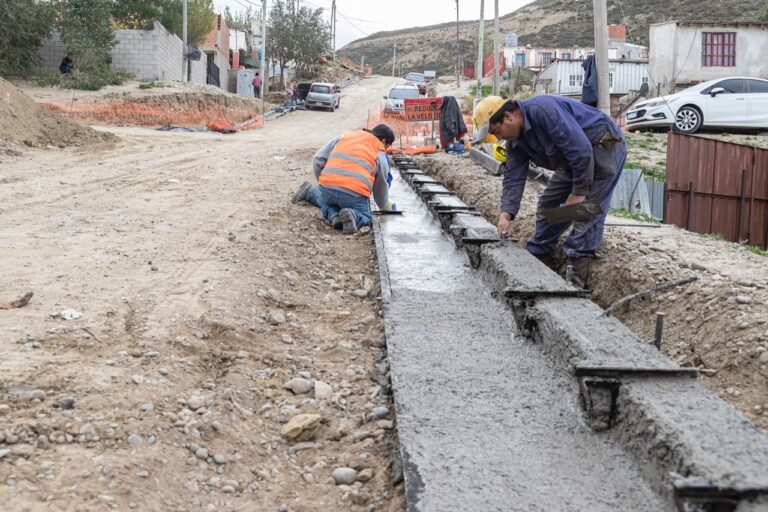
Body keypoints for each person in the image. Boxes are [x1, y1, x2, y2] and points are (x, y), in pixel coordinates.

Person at [473, 95, 626, 289]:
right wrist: (506, 213)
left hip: (603, 145)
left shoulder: (544, 111)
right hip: (573, 160)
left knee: (586, 210)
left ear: (508, 116)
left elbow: (581, 150)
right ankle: (537, 255)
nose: (499, 138)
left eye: (497, 131)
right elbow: (513, 178)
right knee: (549, 207)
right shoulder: (516, 143)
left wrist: (579, 192)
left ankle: (575, 279)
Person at [291, 124, 395, 234]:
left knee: (326, 202)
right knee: (366, 216)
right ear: (383, 141)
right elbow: (380, 186)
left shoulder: (345, 136)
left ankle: (326, 208)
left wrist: (324, 184)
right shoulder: (379, 150)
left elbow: (317, 159)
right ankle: (353, 215)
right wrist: (384, 206)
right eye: (387, 147)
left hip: (327, 189)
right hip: (354, 195)